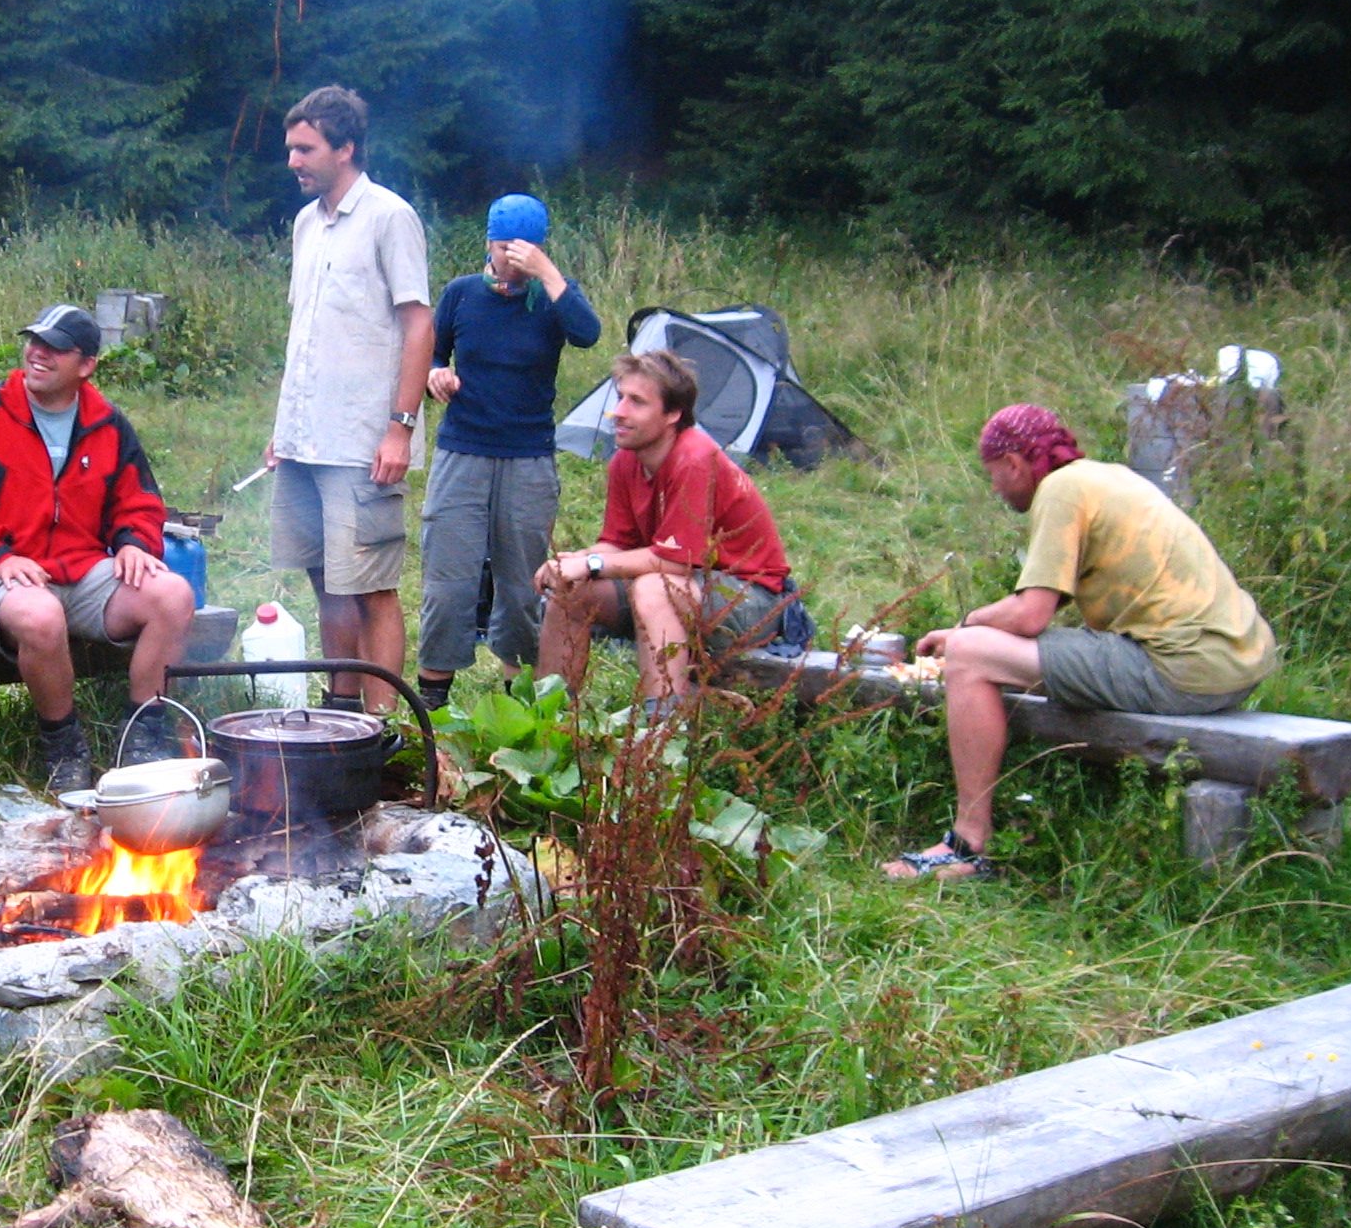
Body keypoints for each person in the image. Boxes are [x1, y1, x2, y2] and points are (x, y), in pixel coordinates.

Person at [882, 403, 1280, 883]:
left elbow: (1031, 614)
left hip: (1182, 669)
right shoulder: (1107, 478)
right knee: (991, 651)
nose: (995, 488)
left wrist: (965, 627)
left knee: (970, 655)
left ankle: (969, 844)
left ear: (1013, 463)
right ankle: (1023, 808)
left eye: (993, 475)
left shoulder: (1060, 491)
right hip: (1235, 663)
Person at [0, 304, 198, 794]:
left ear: (86, 365)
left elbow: (139, 500)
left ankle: (142, 736)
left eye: (54, 348)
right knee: (41, 616)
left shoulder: (107, 423)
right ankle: (63, 744)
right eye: (34, 341)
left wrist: (134, 542)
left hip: (83, 571)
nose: (37, 353)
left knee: (173, 595)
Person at [265, 85, 433, 714]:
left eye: (305, 149)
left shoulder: (390, 217)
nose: (293, 161)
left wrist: (400, 427)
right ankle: (340, 710)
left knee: (371, 587)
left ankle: (382, 726)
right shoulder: (306, 224)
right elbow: (307, 332)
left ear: (346, 148)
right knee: (325, 581)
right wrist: (284, 426)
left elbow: (419, 324)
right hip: (305, 439)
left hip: (363, 443)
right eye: (291, 148)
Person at [535, 349, 809, 706]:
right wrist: (573, 562)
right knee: (571, 588)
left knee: (654, 588)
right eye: (620, 398)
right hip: (689, 588)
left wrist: (592, 563)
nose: (619, 411)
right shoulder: (626, 461)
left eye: (637, 402)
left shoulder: (694, 458)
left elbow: (677, 562)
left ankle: (661, 723)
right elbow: (617, 545)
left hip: (752, 600)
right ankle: (548, 716)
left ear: (673, 414)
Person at [415, 193, 601, 708]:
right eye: (503, 248)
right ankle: (432, 704)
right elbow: (432, 352)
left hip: (528, 455)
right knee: (448, 581)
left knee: (521, 587)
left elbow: (588, 334)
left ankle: (516, 703)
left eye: (524, 250)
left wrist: (549, 276)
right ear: (488, 244)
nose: (512, 260)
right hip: (463, 449)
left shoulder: (553, 299)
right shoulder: (461, 294)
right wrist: (436, 374)